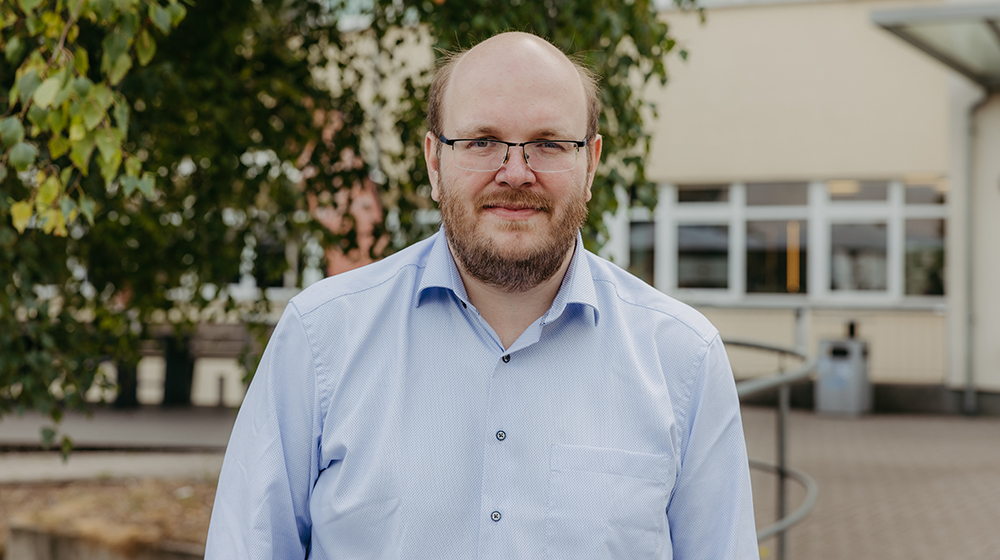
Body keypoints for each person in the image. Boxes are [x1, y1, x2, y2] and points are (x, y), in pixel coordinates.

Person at [206, 31, 758, 559]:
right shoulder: (321, 338)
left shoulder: (683, 360)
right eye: (481, 141)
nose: (514, 172)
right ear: (433, 160)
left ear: (589, 163)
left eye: (547, 144)